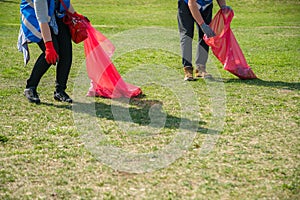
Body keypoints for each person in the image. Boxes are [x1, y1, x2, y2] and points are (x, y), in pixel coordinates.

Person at [18, 0, 85, 104]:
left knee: (66, 51)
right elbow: (42, 19)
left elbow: (64, 2)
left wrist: (76, 16)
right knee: (52, 52)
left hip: (55, 15)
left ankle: (60, 91)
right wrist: (49, 46)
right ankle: (30, 87)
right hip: (35, 18)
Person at [177, 0, 231, 81]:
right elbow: (191, 3)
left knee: (205, 35)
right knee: (187, 35)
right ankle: (187, 69)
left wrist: (223, 7)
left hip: (206, 6)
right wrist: (202, 24)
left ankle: (200, 68)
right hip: (186, 5)